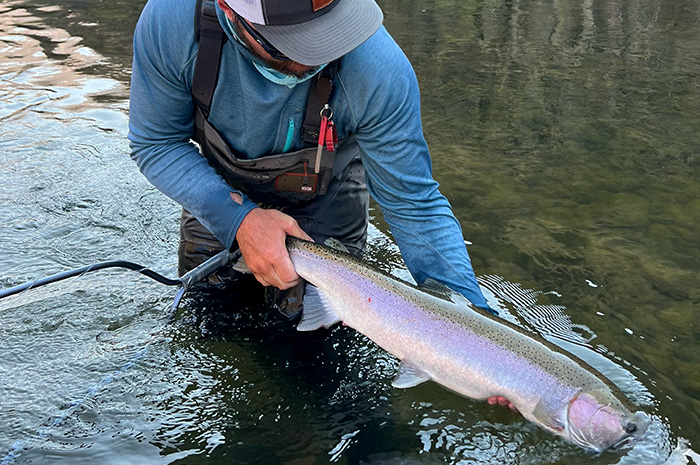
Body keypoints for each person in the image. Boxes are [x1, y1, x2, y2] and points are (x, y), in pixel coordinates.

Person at [127, 0, 516, 412]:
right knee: (212, 323)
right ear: (228, 10)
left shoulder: (378, 69)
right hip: (218, 188)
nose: (317, 55)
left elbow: (414, 203)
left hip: (327, 193)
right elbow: (156, 144)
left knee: (318, 360)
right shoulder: (172, 22)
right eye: (287, 46)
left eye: (329, 37)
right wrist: (239, 219)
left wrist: (476, 329)